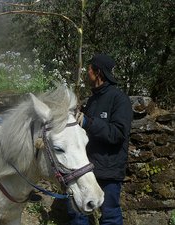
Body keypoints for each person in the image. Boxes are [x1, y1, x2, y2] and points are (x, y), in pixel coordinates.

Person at [67, 54, 133, 225]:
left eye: (89, 69)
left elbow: (117, 134)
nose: (86, 73)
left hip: (109, 170)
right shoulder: (92, 100)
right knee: (78, 212)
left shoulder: (120, 100)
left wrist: (88, 121)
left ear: (98, 73)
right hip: (86, 169)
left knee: (110, 215)